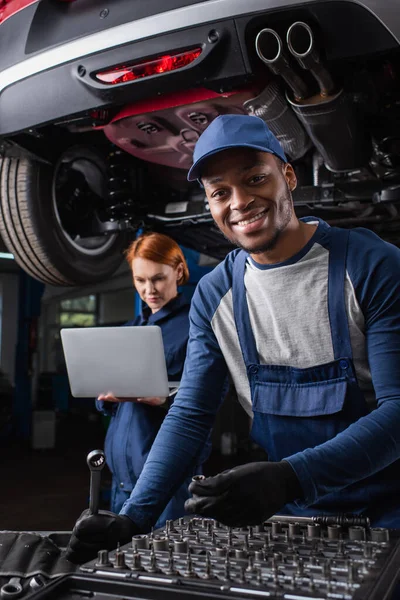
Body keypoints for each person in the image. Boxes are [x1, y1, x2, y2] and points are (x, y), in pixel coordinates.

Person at [67, 114, 400, 562]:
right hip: (293, 518)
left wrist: (288, 477)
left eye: (255, 178)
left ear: (288, 176)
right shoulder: (215, 293)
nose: (239, 201)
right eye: (220, 192)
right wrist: (133, 518)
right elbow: (189, 413)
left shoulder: (369, 265)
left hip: (388, 512)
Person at [94, 232, 206, 532]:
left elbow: (209, 394)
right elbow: (109, 397)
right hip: (121, 479)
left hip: (167, 483)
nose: (149, 289)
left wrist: (165, 398)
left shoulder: (195, 327)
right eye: (140, 280)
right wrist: (105, 395)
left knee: (167, 563)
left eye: (157, 278)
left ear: (179, 272)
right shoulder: (133, 328)